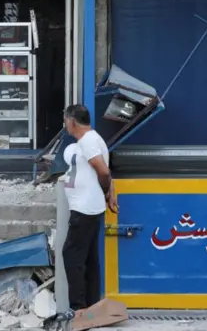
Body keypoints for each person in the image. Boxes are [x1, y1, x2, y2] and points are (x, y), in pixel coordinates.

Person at [61, 104, 118, 318]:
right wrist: (109, 191)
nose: (66, 124)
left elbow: (103, 171)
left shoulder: (87, 141)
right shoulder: (90, 140)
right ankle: (92, 306)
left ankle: (79, 309)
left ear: (72, 121)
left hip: (85, 209)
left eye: (66, 120)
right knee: (88, 258)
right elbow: (103, 170)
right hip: (87, 207)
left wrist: (106, 190)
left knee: (72, 255)